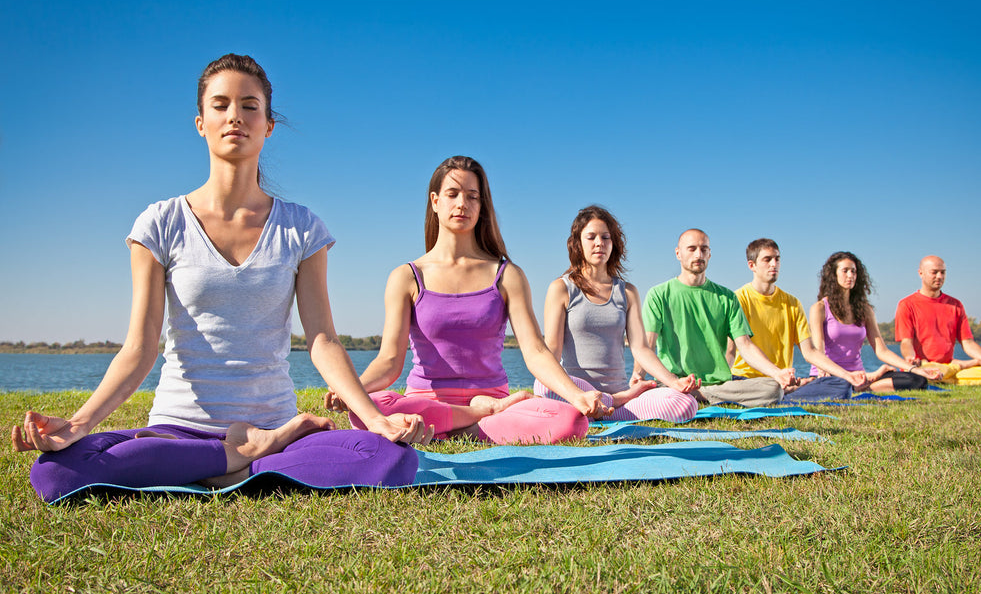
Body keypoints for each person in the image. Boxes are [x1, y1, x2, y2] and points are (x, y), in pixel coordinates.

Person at [11, 54, 429, 503]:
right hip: (178, 425)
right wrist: (77, 425)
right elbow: (140, 346)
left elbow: (323, 339)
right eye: (221, 104)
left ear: (268, 125)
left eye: (250, 106)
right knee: (55, 473)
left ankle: (253, 450)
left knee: (391, 459)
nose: (235, 116)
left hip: (272, 421)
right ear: (200, 122)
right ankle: (235, 459)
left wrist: (374, 419)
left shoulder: (301, 228)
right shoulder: (161, 222)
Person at [325, 156, 609, 444]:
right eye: (453, 194)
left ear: (481, 206)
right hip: (431, 404)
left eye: (472, 197)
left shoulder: (507, 275)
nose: (462, 203)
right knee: (369, 408)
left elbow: (535, 351)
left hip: (493, 403)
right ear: (435, 201)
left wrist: (577, 395)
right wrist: (353, 390)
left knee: (571, 420)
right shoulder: (406, 276)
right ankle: (472, 421)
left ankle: (450, 429)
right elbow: (388, 361)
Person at [532, 206, 698, 422]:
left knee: (686, 404)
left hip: (622, 395)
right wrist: (568, 391)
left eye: (605, 237)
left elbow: (640, 348)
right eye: (591, 237)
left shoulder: (627, 292)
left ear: (613, 243)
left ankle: (607, 406)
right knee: (542, 385)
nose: (599, 243)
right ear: (578, 244)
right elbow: (552, 352)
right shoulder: (561, 288)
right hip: (577, 395)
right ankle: (608, 403)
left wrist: (674, 381)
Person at [636, 229, 797, 407]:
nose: (699, 254)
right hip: (674, 382)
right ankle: (692, 395)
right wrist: (638, 375)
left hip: (719, 384)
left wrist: (777, 373)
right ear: (678, 253)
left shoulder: (726, 297)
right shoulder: (658, 295)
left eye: (704, 249)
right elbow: (647, 346)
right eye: (692, 249)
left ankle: (700, 395)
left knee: (773, 388)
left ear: (710, 254)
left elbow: (745, 345)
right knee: (656, 391)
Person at [784, 251, 940, 402]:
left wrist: (916, 370)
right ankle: (862, 383)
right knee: (839, 386)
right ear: (834, 275)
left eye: (853, 271)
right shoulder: (819, 308)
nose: (850, 275)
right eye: (845, 271)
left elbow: (882, 350)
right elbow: (818, 352)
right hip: (831, 376)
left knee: (918, 381)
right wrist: (834, 374)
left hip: (860, 376)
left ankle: (864, 385)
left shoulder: (864, 309)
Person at [727, 239, 869, 393]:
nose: (774, 264)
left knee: (842, 387)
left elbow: (810, 352)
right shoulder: (738, 299)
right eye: (767, 259)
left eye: (777, 259)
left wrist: (847, 375)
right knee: (770, 391)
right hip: (747, 380)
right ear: (752, 265)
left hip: (780, 382)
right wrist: (776, 373)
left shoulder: (793, 303)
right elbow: (736, 348)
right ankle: (786, 391)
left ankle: (789, 390)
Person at [895, 255, 981, 385]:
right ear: (921, 273)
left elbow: (968, 343)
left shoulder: (955, 305)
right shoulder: (907, 304)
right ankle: (960, 367)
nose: (939, 276)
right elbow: (906, 342)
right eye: (934, 272)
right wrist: (910, 358)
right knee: (927, 372)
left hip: (946, 367)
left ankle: (946, 376)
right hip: (922, 367)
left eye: (943, 272)